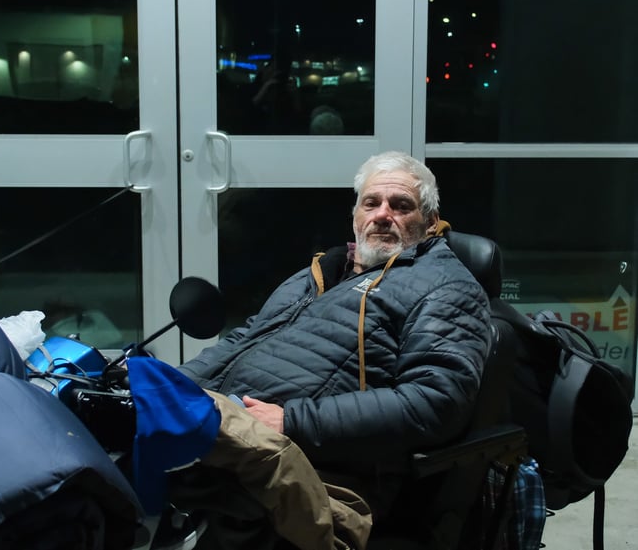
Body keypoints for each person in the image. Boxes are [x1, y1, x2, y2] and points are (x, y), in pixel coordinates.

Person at [178, 150, 492, 523]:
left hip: (306, 460)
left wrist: (291, 421)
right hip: (223, 425)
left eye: (401, 206)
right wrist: (174, 384)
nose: (382, 215)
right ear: (356, 215)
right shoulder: (321, 270)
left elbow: (436, 400)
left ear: (429, 222)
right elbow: (245, 337)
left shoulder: (447, 286)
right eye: (371, 203)